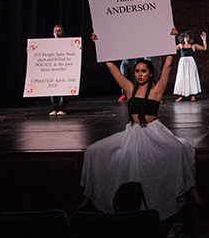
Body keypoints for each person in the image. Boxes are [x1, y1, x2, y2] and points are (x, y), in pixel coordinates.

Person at [83, 29, 202, 221]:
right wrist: (99, 43)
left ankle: (190, 187)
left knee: (182, 149)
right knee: (93, 151)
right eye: (137, 71)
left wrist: (171, 38)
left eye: (143, 71)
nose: (139, 74)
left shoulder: (157, 90)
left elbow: (169, 64)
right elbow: (112, 68)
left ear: (150, 73)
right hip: (132, 133)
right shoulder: (130, 88)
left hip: (154, 133)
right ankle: (89, 195)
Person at [173, 30, 207, 102]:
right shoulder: (181, 45)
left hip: (190, 62)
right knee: (181, 77)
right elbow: (171, 47)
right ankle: (180, 95)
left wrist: (204, 40)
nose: (186, 38)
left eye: (187, 37)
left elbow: (204, 48)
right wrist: (173, 37)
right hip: (182, 63)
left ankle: (193, 95)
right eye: (185, 37)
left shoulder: (193, 46)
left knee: (191, 77)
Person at [49, 24, 70, 115]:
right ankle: (55, 108)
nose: (57, 32)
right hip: (53, 69)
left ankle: (62, 108)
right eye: (55, 31)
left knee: (64, 90)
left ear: (63, 32)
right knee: (53, 89)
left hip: (64, 68)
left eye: (59, 30)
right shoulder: (49, 43)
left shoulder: (68, 42)